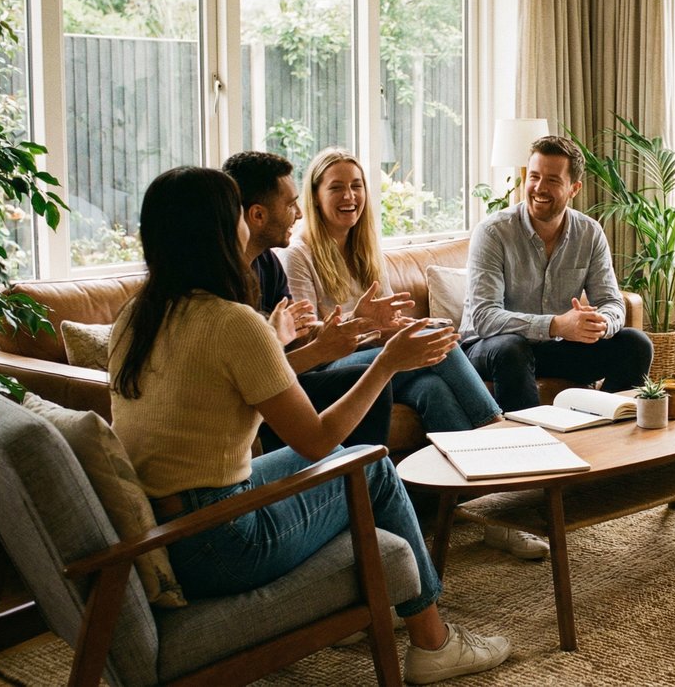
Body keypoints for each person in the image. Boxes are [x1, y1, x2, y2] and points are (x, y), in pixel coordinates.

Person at [109, 167, 511, 684]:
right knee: (370, 467)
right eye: (236, 215)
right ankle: (433, 643)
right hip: (220, 541)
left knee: (362, 458)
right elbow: (320, 440)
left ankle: (379, 598)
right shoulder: (233, 321)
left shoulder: (136, 316)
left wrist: (329, 351)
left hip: (172, 523)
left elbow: (241, 384)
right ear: (218, 230)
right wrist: (385, 362)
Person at [279, 148, 544, 560]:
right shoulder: (300, 253)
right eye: (336, 188)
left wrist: (395, 327)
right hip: (333, 368)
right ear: (315, 196)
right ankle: (495, 427)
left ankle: (486, 516)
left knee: (434, 390)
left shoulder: (366, 247)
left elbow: (387, 321)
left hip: (381, 358)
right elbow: (304, 335)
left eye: (356, 186)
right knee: (437, 330)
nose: (349, 196)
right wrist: (362, 321)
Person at [460, 135, 653, 413]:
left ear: (574, 188)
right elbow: (484, 318)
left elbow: (612, 302)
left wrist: (601, 324)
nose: (539, 187)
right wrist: (557, 325)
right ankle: (529, 448)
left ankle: (603, 431)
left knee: (636, 344)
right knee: (512, 349)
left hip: (551, 348)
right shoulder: (493, 232)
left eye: (552, 180)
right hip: (489, 348)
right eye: (534, 176)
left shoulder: (589, 233)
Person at [223, 150, 397, 450]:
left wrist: (354, 323)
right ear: (258, 215)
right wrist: (324, 345)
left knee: (429, 374)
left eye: (357, 186)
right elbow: (257, 377)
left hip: (282, 378)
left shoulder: (268, 264)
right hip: (261, 395)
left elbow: (296, 336)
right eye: (291, 204)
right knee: (369, 377)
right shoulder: (223, 287)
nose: (300, 213)